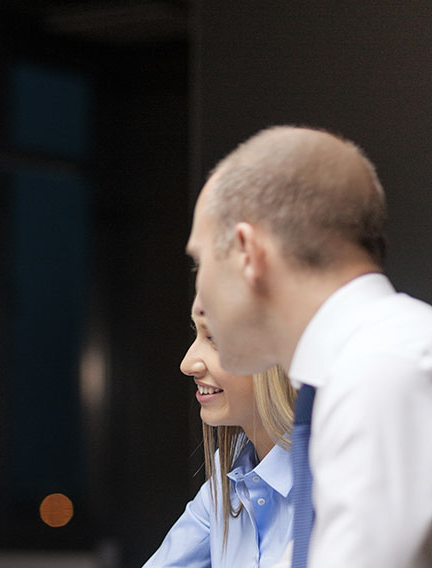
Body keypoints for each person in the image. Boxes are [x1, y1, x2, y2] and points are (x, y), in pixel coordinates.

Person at [186, 125, 432, 567]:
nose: (200, 301)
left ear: (248, 252)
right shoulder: (364, 369)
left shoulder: (381, 373)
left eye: (201, 262)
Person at [144, 294, 296, 567]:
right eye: (197, 333)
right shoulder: (228, 480)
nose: (187, 364)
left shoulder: (335, 481)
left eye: (213, 337)